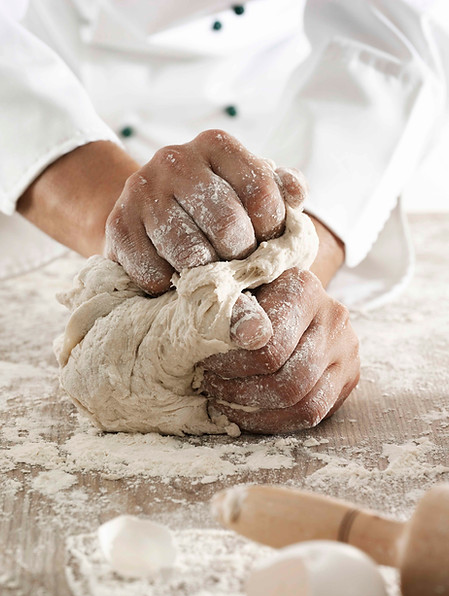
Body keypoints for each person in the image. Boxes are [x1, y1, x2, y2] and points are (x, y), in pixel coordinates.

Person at [0, 0, 447, 433]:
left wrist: (289, 273)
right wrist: (122, 227)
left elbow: (390, 40)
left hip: (281, 138)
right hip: (53, 151)